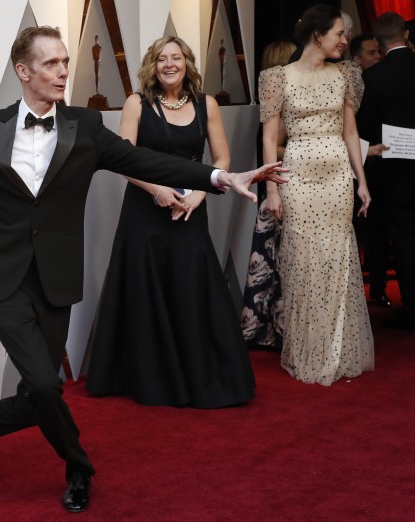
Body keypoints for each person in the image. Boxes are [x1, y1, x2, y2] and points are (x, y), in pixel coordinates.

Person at [0, 26, 288, 513]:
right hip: (4, 278)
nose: (62, 72)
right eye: (51, 63)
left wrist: (219, 177)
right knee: (46, 386)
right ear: (23, 71)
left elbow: (144, 161)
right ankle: (79, 469)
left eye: (65, 62)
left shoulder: (85, 126)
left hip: (56, 278)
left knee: (37, 395)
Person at [86, 36, 254, 408]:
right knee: (146, 289)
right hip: (145, 211)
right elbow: (121, 157)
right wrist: (157, 191)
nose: (169, 65)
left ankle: (196, 376)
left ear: (187, 62)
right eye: (161, 59)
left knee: (190, 286)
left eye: (176, 58)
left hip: (191, 208)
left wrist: (199, 193)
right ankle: (151, 379)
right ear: (152, 65)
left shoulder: (207, 104)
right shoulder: (137, 103)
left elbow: (222, 159)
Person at [261, 4, 374, 385]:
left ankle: (337, 349)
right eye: (339, 33)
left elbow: (350, 133)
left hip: (338, 176)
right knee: (303, 259)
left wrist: (361, 181)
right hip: (297, 176)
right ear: (317, 34)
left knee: (338, 258)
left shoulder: (345, 74)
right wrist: (272, 188)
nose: (345, 40)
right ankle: (308, 349)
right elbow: (269, 139)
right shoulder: (278, 77)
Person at [358, 12, 415, 331]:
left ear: (379, 43)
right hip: (399, 167)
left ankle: (412, 308)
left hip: (393, 169)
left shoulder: (373, 78)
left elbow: (364, 129)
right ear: (406, 34)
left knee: (404, 237)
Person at [241, 40, 296, 350]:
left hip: (278, 186)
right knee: (278, 263)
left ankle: (270, 328)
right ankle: (278, 329)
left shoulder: (274, 102)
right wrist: (307, 147)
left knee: (273, 263)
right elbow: (272, 146)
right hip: (282, 187)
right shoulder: (281, 103)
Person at [350, 33, 391, 307]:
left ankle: (377, 284)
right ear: (356, 59)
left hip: (378, 168)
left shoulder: (381, 82)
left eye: (379, 52)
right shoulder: (351, 88)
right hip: (350, 169)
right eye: (371, 53)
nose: (378, 57)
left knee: (378, 229)